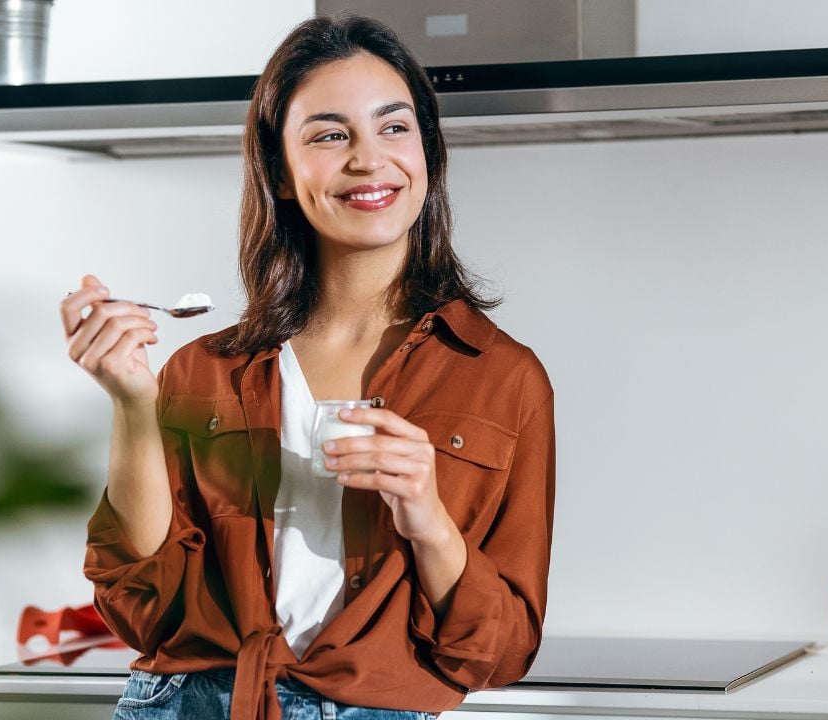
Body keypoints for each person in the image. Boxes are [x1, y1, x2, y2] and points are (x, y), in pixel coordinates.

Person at [62, 14, 555, 720]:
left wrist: (428, 519)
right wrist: (132, 404)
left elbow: (498, 653)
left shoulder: (502, 378)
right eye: (329, 135)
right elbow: (144, 609)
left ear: (428, 154)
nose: (368, 159)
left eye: (394, 127)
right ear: (283, 176)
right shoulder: (203, 370)